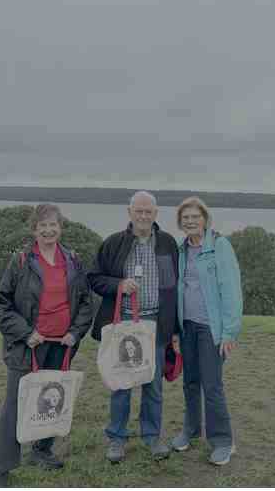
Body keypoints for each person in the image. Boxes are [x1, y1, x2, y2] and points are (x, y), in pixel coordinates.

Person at [0, 204, 94, 487]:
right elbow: (1, 306)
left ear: (61, 228)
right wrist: (25, 333)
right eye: (43, 226)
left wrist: (75, 333)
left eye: (54, 225)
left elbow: (85, 302)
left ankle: (41, 451)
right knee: (15, 405)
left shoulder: (72, 259)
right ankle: (2, 469)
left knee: (53, 401)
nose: (49, 230)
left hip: (62, 345)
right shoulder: (21, 261)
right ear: (34, 229)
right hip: (28, 347)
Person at [88, 191, 179, 463]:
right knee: (121, 385)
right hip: (124, 325)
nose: (143, 216)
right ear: (129, 213)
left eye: (148, 212)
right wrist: (118, 285)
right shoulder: (114, 243)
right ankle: (117, 438)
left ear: (155, 214)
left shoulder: (167, 243)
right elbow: (94, 278)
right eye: (138, 211)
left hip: (157, 325)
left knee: (153, 385)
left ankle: (152, 436)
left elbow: (173, 290)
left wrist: (174, 330)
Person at [170, 196, 242, 466]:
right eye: (185, 218)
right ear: (180, 223)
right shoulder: (180, 249)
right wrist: (176, 330)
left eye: (194, 217)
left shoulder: (220, 246)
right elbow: (179, 291)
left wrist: (230, 332)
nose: (190, 222)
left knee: (212, 387)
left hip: (211, 329)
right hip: (187, 327)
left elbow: (231, 291)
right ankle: (190, 430)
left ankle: (223, 441)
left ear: (205, 220)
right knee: (190, 383)